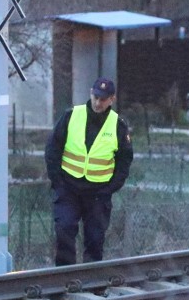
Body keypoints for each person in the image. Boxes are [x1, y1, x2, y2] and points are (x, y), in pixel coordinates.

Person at [45, 77, 134, 266]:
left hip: (98, 193)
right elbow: (53, 149)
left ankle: (91, 282)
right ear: (90, 93)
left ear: (112, 99)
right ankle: (64, 277)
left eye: (103, 99)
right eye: (96, 97)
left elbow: (124, 161)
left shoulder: (118, 125)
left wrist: (109, 189)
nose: (98, 102)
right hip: (69, 188)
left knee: (95, 238)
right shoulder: (71, 116)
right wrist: (58, 183)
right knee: (64, 228)